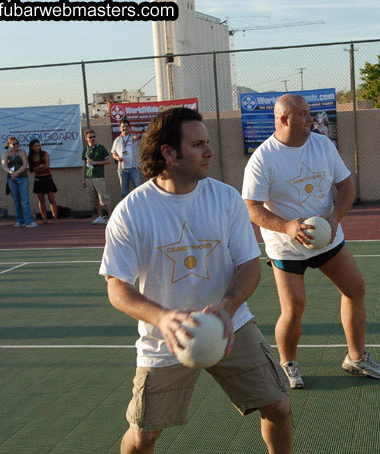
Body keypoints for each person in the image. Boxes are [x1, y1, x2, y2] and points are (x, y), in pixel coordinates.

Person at [100, 108, 292, 454]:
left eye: (207, 143)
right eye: (198, 144)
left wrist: (227, 309)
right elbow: (117, 287)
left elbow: (249, 264)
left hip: (228, 323)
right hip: (166, 337)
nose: (209, 152)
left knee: (278, 407)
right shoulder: (131, 211)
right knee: (143, 436)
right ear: (169, 154)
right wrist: (163, 318)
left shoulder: (226, 198)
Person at [242, 94, 380, 390]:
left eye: (310, 113)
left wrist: (334, 218)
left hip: (327, 238)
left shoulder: (322, 145)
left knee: (355, 288)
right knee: (294, 308)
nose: (312, 118)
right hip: (286, 246)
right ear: (284, 119)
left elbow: (346, 186)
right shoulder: (263, 158)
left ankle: (356, 357)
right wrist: (287, 226)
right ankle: (288, 364)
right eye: (305, 114)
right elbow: (252, 208)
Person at [1, 137, 37, 228]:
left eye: (17, 143)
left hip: (22, 178)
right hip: (11, 179)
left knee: (24, 201)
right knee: (16, 201)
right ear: (10, 145)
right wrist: (11, 173)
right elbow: (4, 166)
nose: (16, 145)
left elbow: (25, 165)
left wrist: (17, 173)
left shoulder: (22, 152)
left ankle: (29, 221)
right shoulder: (6, 153)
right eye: (14, 144)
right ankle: (20, 221)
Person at [82, 129, 113, 224]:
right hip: (89, 177)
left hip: (99, 176)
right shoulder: (85, 149)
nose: (92, 139)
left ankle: (111, 217)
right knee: (94, 199)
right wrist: (83, 178)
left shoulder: (101, 148)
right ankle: (100, 217)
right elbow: (84, 164)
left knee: (103, 197)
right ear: (86, 138)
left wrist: (95, 162)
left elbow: (108, 161)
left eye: (94, 136)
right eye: (90, 137)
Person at [28, 139, 58, 223]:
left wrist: (38, 168)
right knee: (41, 200)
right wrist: (39, 167)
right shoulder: (30, 157)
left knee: (51, 199)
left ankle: (55, 217)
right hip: (38, 179)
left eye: (38, 145)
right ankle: (44, 218)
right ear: (31, 147)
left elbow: (47, 166)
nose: (37, 147)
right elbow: (31, 169)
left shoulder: (45, 154)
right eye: (35, 146)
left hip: (47, 178)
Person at [111, 118, 141, 199]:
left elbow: (145, 140)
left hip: (134, 168)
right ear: (120, 128)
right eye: (123, 127)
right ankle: (126, 210)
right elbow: (113, 153)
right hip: (122, 169)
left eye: (126, 126)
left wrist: (139, 137)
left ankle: (138, 209)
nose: (125, 128)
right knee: (124, 191)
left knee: (138, 189)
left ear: (129, 127)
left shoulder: (134, 138)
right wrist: (117, 158)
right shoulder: (117, 140)